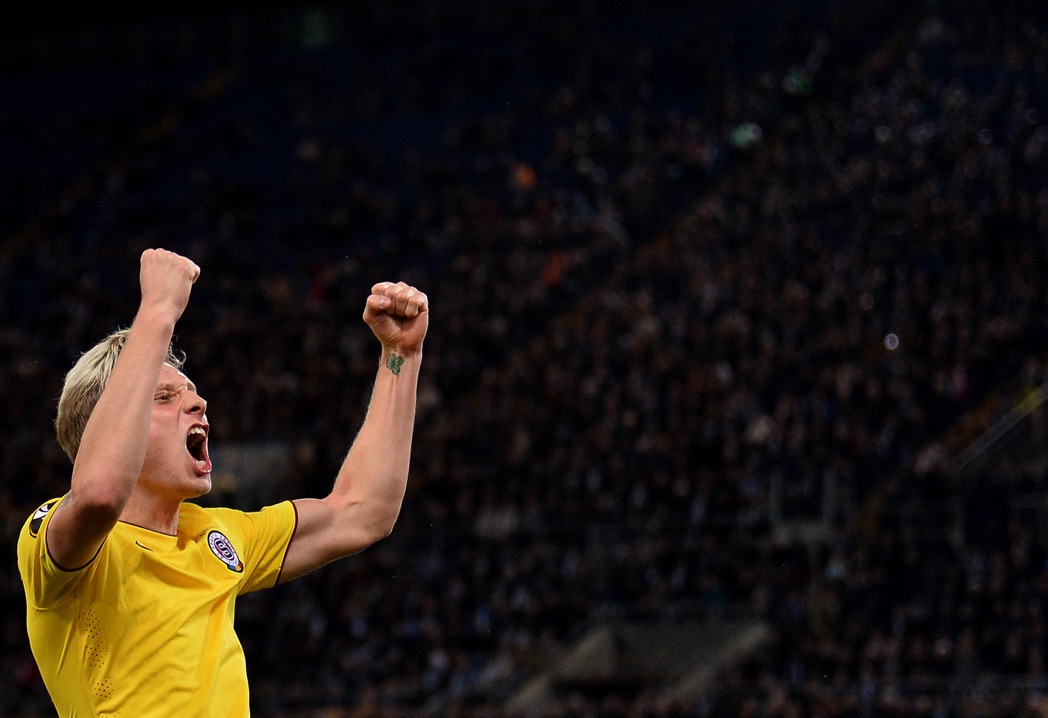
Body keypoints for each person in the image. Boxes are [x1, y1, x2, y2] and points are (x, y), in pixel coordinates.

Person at [16, 248, 428, 717]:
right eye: (165, 397)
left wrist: (401, 356)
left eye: (191, 392)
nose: (198, 403)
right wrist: (158, 310)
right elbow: (100, 494)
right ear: (110, 424)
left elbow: (363, 511)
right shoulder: (58, 546)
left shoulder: (218, 537)